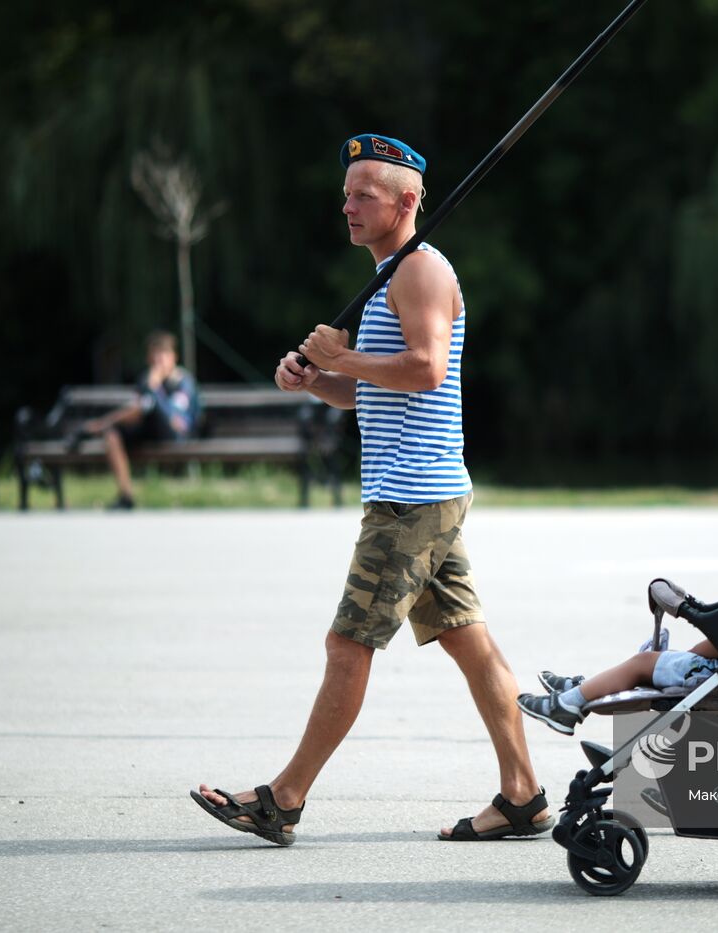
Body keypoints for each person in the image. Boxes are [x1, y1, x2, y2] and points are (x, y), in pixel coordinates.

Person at [192, 133, 551, 844]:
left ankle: (283, 798)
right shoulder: (393, 275)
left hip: (413, 497)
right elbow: (373, 395)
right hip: (422, 490)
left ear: (408, 201)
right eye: (347, 191)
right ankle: (523, 794)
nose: (348, 204)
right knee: (470, 645)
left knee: (347, 645)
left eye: (365, 194)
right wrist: (319, 379)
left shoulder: (419, 273)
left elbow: (426, 369)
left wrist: (343, 354)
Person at [517, 483, 718, 733]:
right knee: (651, 662)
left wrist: (691, 654)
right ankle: (585, 686)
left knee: (642, 664)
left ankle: (569, 704)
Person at [79, 330, 200, 510]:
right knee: (113, 435)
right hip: (149, 429)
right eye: (155, 356)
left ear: (174, 357)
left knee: (144, 406)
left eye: (164, 355)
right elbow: (135, 410)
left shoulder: (183, 382)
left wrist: (154, 389)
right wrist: (150, 389)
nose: (159, 361)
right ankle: (126, 495)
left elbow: (174, 419)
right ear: (149, 358)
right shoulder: (146, 380)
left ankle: (101, 424)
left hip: (174, 433)